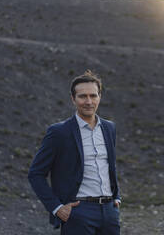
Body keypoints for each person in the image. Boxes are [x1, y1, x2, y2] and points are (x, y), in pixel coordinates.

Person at [28, 70, 121, 235]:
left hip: (109, 212)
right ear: (73, 99)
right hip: (78, 213)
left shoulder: (109, 128)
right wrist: (56, 208)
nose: (88, 101)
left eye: (93, 95)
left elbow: (109, 164)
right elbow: (35, 173)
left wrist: (116, 197)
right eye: (82, 96)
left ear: (100, 97)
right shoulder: (59, 132)